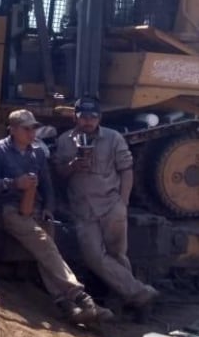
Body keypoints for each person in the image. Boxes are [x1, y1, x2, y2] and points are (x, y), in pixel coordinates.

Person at [0, 109, 113, 326]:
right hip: (8, 210)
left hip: (35, 209)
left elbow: (47, 185)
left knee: (47, 249)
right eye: (26, 129)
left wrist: (49, 208)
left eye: (34, 128)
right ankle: (80, 296)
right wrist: (14, 183)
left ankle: (64, 304)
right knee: (44, 244)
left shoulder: (37, 153)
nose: (31, 133)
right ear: (13, 130)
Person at [53, 96, 159, 310]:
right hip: (83, 208)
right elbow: (59, 172)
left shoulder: (113, 138)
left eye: (93, 117)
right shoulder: (65, 141)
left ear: (99, 118)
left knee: (117, 255)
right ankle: (141, 293)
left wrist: (123, 202)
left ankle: (129, 304)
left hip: (111, 205)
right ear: (75, 117)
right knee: (93, 256)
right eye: (84, 117)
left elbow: (126, 170)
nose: (88, 121)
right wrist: (73, 166)